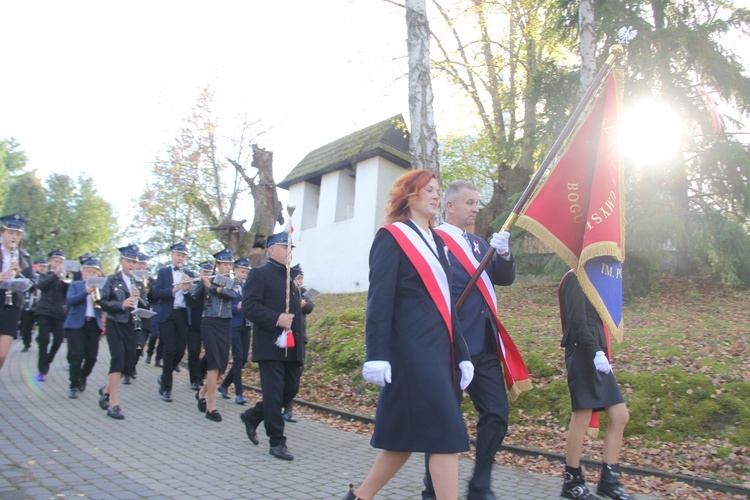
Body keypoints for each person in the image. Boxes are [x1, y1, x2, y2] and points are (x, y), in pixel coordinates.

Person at [344, 169, 473, 500]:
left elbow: (447, 304)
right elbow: (380, 301)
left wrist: (461, 354)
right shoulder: (392, 236)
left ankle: (359, 497)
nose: (435, 195)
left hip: (439, 352)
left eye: (437, 190)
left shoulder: (437, 241)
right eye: (427, 189)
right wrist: (376, 354)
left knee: (402, 439)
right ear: (409, 196)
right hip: (411, 352)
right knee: (446, 433)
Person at [430, 180, 531, 500]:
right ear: (450, 206)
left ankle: (480, 483)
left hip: (485, 344)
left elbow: (503, 279)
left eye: (477, 203)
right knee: (445, 421)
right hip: (450, 343)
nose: (476, 208)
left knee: (497, 413)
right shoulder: (433, 240)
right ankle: (432, 491)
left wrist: (503, 252)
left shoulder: (477, 243)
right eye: (470, 202)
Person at [558, 270, 635, 500]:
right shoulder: (574, 278)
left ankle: (608, 481)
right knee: (581, 416)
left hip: (597, 353)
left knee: (620, 415)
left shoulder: (594, 279)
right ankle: (572, 481)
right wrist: (596, 352)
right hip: (583, 352)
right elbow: (577, 323)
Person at [239, 231, 306, 461]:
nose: (289, 251)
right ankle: (277, 442)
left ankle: (253, 415)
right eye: (284, 246)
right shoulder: (260, 274)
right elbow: (248, 306)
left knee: (289, 390)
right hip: (270, 345)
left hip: (292, 346)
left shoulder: (291, 278)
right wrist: (276, 318)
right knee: (274, 392)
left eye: (291, 247)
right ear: (271, 249)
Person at [97, 244, 148, 420]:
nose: (131, 265)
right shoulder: (112, 279)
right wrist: (122, 304)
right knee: (117, 358)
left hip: (131, 325)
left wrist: (139, 298)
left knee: (128, 362)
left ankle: (106, 390)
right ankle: (114, 403)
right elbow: (103, 302)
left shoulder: (139, 283)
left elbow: (147, 305)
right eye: (128, 261)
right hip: (115, 323)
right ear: (121, 261)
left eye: (134, 261)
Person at [193, 249, 238, 421]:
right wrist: (186, 288)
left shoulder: (231, 282)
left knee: (222, 365)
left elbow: (232, 295)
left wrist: (212, 287)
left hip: (225, 323)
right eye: (224, 264)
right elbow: (194, 300)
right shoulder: (207, 279)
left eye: (230, 264)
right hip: (209, 322)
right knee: (213, 363)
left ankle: (202, 393)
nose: (228, 267)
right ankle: (211, 407)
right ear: (217, 265)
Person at [152, 243, 194, 402]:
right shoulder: (163, 272)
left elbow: (192, 300)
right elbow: (155, 293)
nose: (180, 258)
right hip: (167, 315)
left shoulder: (189, 273)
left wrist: (186, 289)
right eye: (178, 255)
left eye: (183, 256)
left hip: (182, 314)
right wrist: (173, 290)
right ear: (172, 255)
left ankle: (164, 376)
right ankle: (167, 388)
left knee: (180, 350)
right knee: (169, 350)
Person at [63, 257, 104, 398]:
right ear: (82, 273)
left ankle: (82, 376)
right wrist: (86, 291)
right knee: (76, 355)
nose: (91, 274)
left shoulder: (101, 287)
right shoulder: (76, 284)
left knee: (91, 357)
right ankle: (73, 385)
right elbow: (70, 301)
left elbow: (104, 305)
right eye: (88, 271)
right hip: (76, 324)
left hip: (93, 324)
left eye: (94, 272)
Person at [0, 213, 34, 372]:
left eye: (17, 234)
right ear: (2, 233)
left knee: (2, 355)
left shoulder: (25, 257)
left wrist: (20, 273)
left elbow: (33, 284)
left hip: (12, 305)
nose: (14, 237)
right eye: (10, 233)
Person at [282, 265, 314, 422]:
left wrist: (303, 304)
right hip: (287, 335)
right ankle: (284, 405)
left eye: (301, 278)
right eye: (297, 278)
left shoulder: (303, 292)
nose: (300, 281)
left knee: (296, 374)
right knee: (285, 372)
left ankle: (287, 406)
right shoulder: (286, 292)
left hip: (301, 336)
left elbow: (310, 307)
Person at [218, 257, 252, 405]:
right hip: (234, 324)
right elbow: (224, 306)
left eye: (246, 272)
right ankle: (239, 392)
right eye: (242, 271)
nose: (244, 274)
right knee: (238, 358)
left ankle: (224, 385)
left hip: (246, 324)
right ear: (235, 270)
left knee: (243, 358)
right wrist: (236, 307)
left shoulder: (248, 286)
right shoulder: (230, 285)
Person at [35, 249, 70, 381]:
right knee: (44, 341)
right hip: (44, 311)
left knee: (58, 340)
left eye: (61, 262)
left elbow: (68, 293)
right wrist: (55, 275)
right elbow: (41, 286)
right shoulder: (45, 275)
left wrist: (64, 279)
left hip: (59, 313)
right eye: (56, 261)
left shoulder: (66, 277)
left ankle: (47, 361)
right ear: (50, 262)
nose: (58, 264)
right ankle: (41, 370)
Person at [186, 261, 212, 390]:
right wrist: (186, 292)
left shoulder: (214, 285)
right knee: (194, 351)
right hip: (195, 323)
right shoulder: (196, 285)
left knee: (211, 352)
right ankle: (194, 379)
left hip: (209, 323)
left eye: (208, 272)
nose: (206, 274)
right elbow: (191, 302)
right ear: (200, 272)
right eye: (204, 272)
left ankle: (200, 374)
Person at [19, 259, 46, 352]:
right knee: (26, 326)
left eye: (44, 266)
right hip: (30, 304)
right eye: (41, 266)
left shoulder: (48, 277)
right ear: (36, 267)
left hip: (42, 306)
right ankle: (26, 344)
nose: (42, 268)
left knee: (43, 326)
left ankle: (40, 340)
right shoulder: (31, 276)